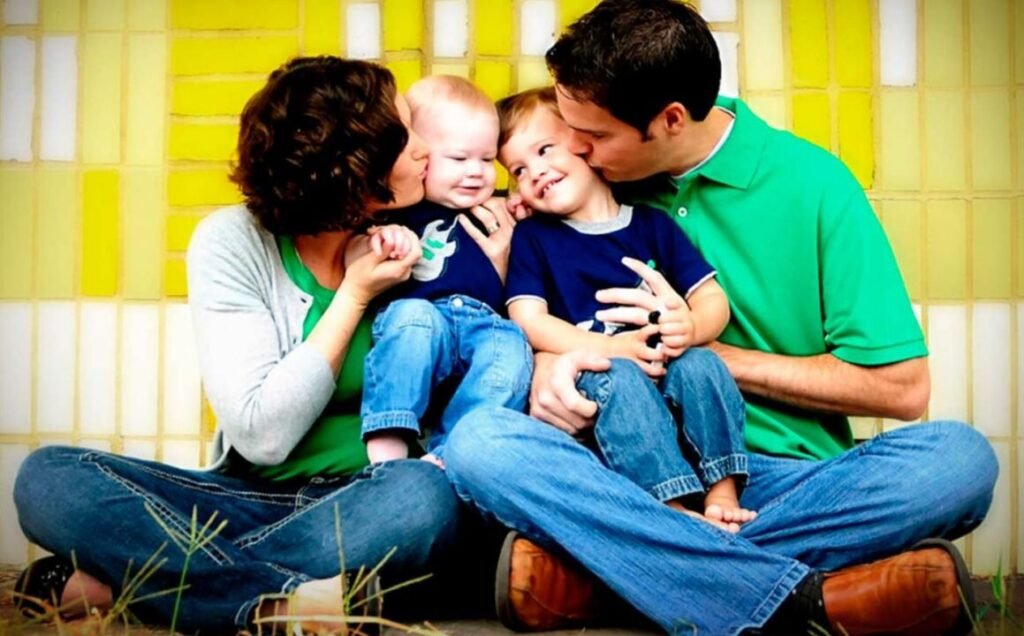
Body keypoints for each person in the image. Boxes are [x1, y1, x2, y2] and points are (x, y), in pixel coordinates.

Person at [442, 2, 999, 635]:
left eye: (591, 136)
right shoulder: (574, 191)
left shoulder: (814, 184)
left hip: (782, 481)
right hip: (621, 471)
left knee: (959, 460)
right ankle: (809, 599)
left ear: (670, 120)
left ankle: (616, 577)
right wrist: (551, 363)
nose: (571, 149)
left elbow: (902, 388)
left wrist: (695, 351)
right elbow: (517, 318)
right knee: (479, 442)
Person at [12, 56, 479, 633]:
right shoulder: (233, 242)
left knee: (419, 498)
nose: (425, 149)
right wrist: (353, 296)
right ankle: (282, 603)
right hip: (244, 496)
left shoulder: (434, 237)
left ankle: (139, 585)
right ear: (358, 170)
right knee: (50, 478)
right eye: (406, 136)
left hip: (367, 504)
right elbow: (262, 436)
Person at [499, 87, 754, 531]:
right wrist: (607, 348)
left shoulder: (652, 225)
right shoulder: (535, 238)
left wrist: (690, 327)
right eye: (519, 170)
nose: (535, 172)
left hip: (666, 367)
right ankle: (672, 511)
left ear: (585, 145)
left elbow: (712, 299)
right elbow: (528, 318)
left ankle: (722, 488)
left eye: (544, 150)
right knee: (616, 378)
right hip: (605, 380)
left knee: (702, 364)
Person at [358, 75, 531, 466]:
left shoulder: (499, 210)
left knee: (511, 347)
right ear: (419, 156)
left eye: (487, 160)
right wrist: (384, 237)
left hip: (482, 322)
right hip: (423, 313)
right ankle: (389, 430)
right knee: (413, 319)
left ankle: (453, 450)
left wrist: (527, 211)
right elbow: (358, 252)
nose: (476, 172)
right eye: (458, 159)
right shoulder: (399, 210)